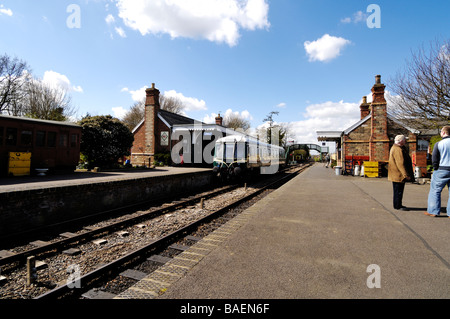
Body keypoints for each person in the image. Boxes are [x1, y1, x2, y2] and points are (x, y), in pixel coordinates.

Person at [425, 126, 450, 218]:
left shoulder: (439, 144)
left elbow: (434, 158)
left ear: (443, 133)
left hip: (442, 169)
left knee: (435, 191)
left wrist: (435, 168)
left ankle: (433, 211)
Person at [388, 135, 414, 211]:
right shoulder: (398, 150)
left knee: (398, 191)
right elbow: (400, 163)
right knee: (398, 191)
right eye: (404, 140)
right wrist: (406, 175)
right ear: (401, 141)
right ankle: (397, 206)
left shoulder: (396, 148)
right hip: (398, 175)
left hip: (396, 174)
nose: (405, 141)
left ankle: (398, 204)